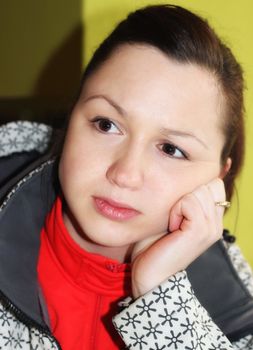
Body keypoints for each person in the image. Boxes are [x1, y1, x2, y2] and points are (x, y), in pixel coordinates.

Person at [0, 4, 253, 350]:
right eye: (106, 125)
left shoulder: (237, 311)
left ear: (217, 179)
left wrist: (162, 298)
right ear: (72, 116)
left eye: (171, 149)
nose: (124, 174)